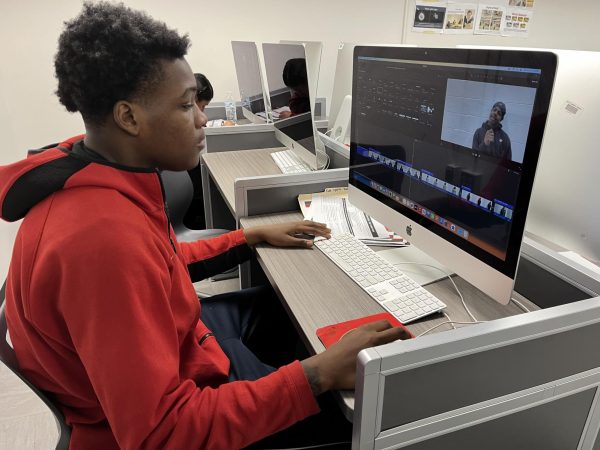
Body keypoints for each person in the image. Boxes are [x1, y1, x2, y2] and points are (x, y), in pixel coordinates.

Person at [0, 3, 408, 449]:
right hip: (174, 412)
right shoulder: (100, 243)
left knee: (295, 308)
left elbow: (161, 262)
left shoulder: (96, 173)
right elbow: (164, 433)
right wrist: (318, 374)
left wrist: (250, 236)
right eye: (185, 105)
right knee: (373, 420)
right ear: (129, 117)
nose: (202, 118)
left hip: (185, 347)